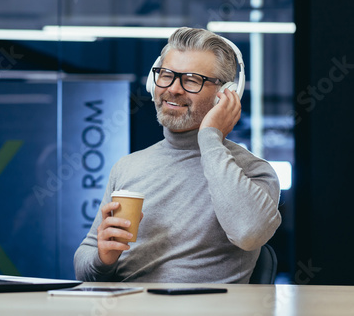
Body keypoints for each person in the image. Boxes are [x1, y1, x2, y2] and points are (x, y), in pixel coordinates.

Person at [73, 27, 282, 283]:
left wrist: (210, 137)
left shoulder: (252, 171)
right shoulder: (128, 167)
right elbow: (84, 265)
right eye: (166, 75)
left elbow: (249, 233)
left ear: (226, 93)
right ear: (153, 82)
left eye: (192, 79)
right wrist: (103, 258)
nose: (173, 89)